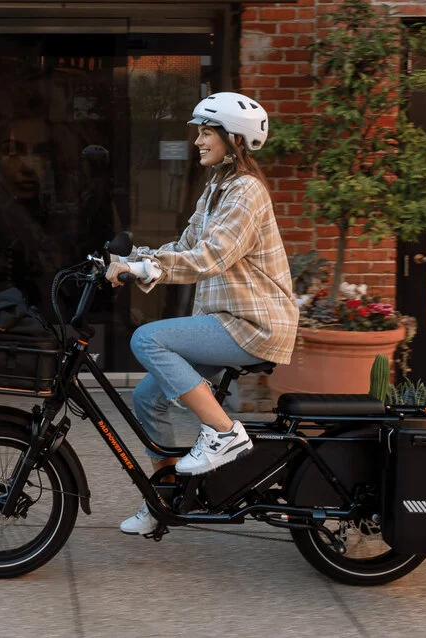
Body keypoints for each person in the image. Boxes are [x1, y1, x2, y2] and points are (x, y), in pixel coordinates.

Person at [105, 92, 300, 535]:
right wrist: (130, 261)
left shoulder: (247, 192)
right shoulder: (217, 189)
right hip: (226, 320)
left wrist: (143, 269)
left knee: (146, 339)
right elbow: (186, 246)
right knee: (145, 398)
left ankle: (225, 433)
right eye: (198, 131)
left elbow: (212, 256)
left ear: (234, 140)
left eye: (206, 132)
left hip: (253, 324)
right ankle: (164, 499)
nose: (197, 140)